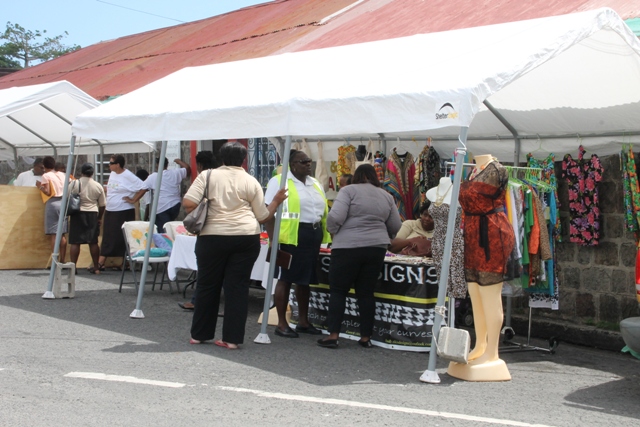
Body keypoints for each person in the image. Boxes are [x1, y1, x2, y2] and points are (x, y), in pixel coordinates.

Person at [184, 142, 287, 349]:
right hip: (246, 236)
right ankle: (231, 339)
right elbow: (262, 216)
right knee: (237, 288)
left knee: (207, 284)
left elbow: (188, 204)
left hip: (212, 236)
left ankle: (200, 334)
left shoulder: (207, 176)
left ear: (221, 158)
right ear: (243, 160)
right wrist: (275, 201)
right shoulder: (251, 181)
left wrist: (209, 205)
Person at [317, 164, 402, 349]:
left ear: (356, 176)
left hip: (347, 246)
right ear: (374, 177)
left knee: (339, 290)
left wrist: (333, 232)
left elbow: (335, 217)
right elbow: (395, 225)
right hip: (376, 248)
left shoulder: (348, 191)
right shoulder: (387, 196)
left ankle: (333, 335)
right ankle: (365, 337)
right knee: (366, 292)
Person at [447, 154, 515, 382]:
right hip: (474, 234)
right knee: (475, 293)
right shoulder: (474, 170)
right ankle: (480, 345)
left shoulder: (497, 170)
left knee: (489, 293)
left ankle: (492, 351)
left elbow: (479, 199)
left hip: (492, 234)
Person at [264, 150, 331, 338]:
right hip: (289, 237)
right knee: (285, 278)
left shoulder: (315, 183)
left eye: (310, 161)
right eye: (304, 161)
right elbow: (267, 212)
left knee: (306, 279)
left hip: (313, 234)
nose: (308, 164)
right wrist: (272, 238)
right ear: (292, 164)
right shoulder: (279, 181)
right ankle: (282, 323)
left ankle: (303, 321)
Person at [178, 150, 218, 311]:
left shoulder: (205, 177)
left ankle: (197, 301)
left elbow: (188, 203)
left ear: (199, 165)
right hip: (237, 231)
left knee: (204, 269)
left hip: (209, 229)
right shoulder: (227, 176)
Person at [97, 155, 146, 271]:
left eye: (111, 163)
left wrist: (134, 199)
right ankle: (110, 261)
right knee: (108, 235)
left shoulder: (127, 175)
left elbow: (143, 187)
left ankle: (106, 261)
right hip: (111, 209)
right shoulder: (113, 174)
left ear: (118, 164)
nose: (109, 165)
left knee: (121, 236)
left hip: (123, 210)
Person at [126, 157, 191, 233]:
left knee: (163, 230)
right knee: (169, 227)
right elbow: (187, 169)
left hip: (162, 208)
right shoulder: (175, 173)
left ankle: (166, 243)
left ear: (157, 165)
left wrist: (133, 200)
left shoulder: (153, 177)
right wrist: (179, 161)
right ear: (167, 164)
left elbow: (142, 189)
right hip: (175, 205)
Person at [69, 163, 106, 274]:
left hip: (77, 213)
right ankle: (96, 267)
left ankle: (73, 268)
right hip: (92, 213)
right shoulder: (98, 186)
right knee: (93, 242)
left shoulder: (74, 183)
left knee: (75, 242)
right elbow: (103, 204)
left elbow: (66, 198)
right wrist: (99, 218)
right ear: (92, 173)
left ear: (81, 172)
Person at [36, 156, 70, 263]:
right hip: (64, 203)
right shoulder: (62, 174)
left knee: (54, 233)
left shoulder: (46, 176)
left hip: (53, 202)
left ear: (44, 166)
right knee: (62, 233)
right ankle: (63, 259)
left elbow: (48, 191)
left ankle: (55, 260)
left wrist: (39, 186)